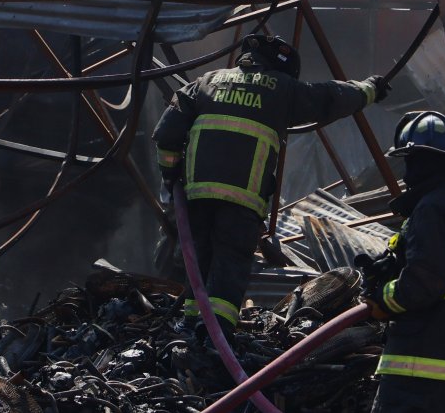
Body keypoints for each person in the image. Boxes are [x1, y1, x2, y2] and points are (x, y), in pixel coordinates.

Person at [152, 33, 389, 335]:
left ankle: (189, 330)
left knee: (197, 266)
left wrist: (171, 178)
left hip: (197, 198)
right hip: (241, 203)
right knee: (230, 267)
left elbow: (167, 134)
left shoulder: (206, 82)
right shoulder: (281, 89)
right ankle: (215, 339)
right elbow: (330, 97)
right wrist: (369, 89)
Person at [364, 110, 445, 413]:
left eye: (409, 161)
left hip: (422, 362)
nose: (407, 173)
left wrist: (382, 299)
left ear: (420, 161)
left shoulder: (432, 208)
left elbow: (424, 283)